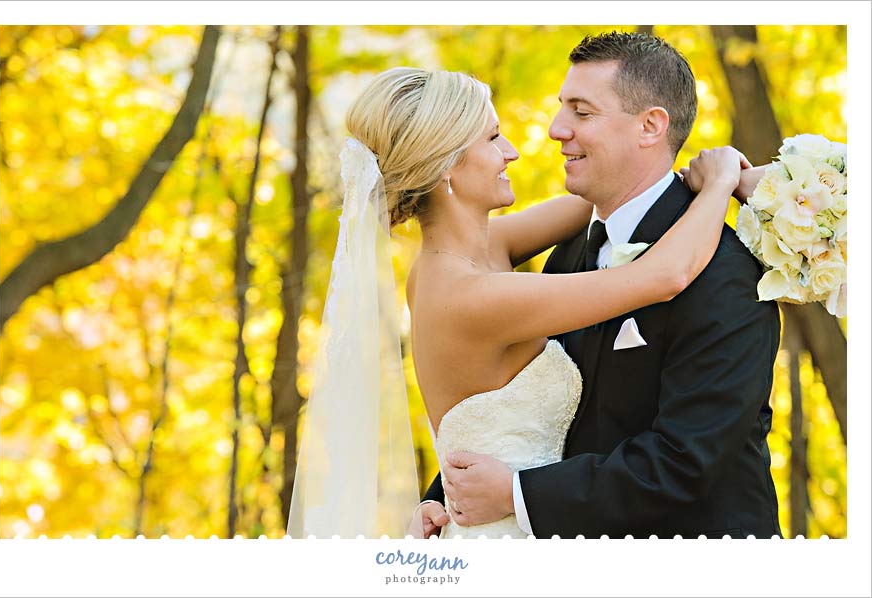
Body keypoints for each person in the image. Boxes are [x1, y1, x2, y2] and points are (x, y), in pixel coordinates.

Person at [287, 50, 757, 538]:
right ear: (446, 166)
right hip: (505, 531)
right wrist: (721, 181)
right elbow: (665, 274)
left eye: (582, 110)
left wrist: (754, 185)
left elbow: (618, 196)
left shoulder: (478, 252)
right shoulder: (472, 296)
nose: (513, 150)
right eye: (493, 139)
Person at [416, 31, 781, 539]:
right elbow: (525, 408)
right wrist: (449, 494)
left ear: (651, 126)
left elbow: (685, 461)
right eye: (561, 108)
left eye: (581, 112)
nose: (553, 130)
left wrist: (515, 493)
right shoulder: (569, 253)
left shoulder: (725, 271)